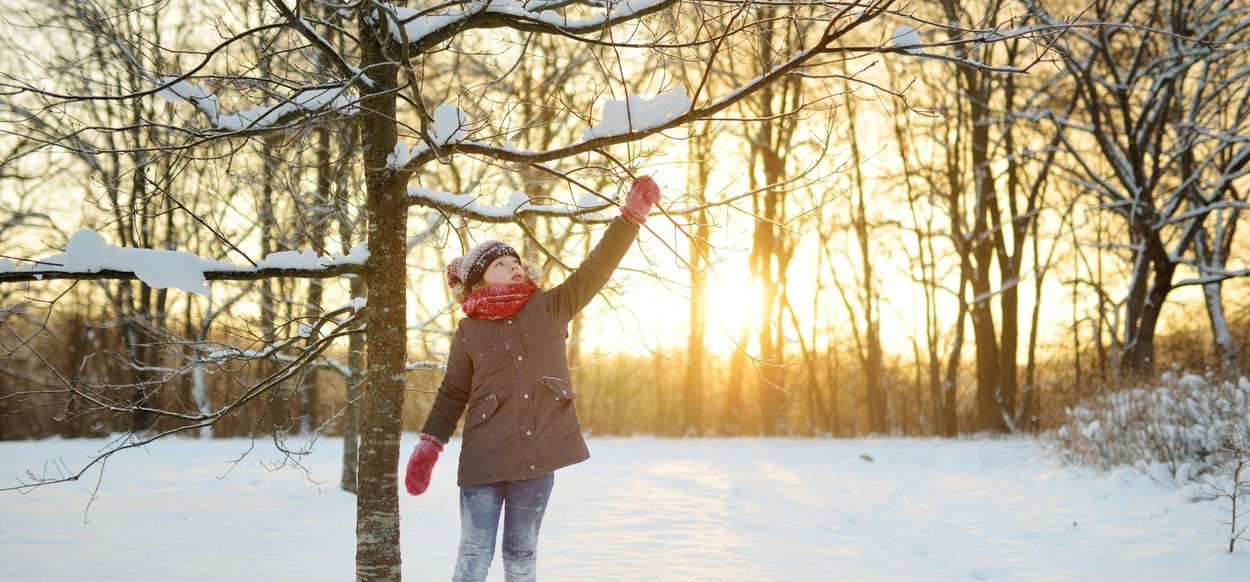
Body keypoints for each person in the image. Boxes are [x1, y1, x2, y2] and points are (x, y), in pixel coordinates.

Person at [405, 175, 662, 582]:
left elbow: (595, 270)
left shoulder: (550, 307)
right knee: (473, 555)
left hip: (536, 459)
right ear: (478, 281)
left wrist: (630, 217)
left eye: (515, 262)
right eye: (499, 265)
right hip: (483, 460)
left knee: (521, 555)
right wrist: (429, 445)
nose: (512, 268)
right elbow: (454, 392)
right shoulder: (469, 331)